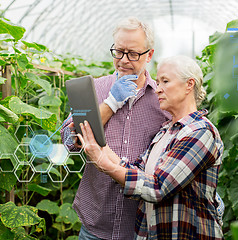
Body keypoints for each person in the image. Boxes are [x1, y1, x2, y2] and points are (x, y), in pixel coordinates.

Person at [78, 55, 224, 239]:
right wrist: (101, 147)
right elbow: (136, 171)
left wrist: (104, 164)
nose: (158, 89)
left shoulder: (200, 132)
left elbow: (158, 187)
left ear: (189, 85)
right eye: (157, 82)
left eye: (165, 81)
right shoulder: (165, 131)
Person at [60, 17, 169, 240]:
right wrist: (110, 103)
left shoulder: (162, 100)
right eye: (118, 51)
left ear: (149, 55)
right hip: (95, 224)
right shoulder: (95, 89)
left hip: (140, 228)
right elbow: (69, 140)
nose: (123, 60)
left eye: (133, 54)